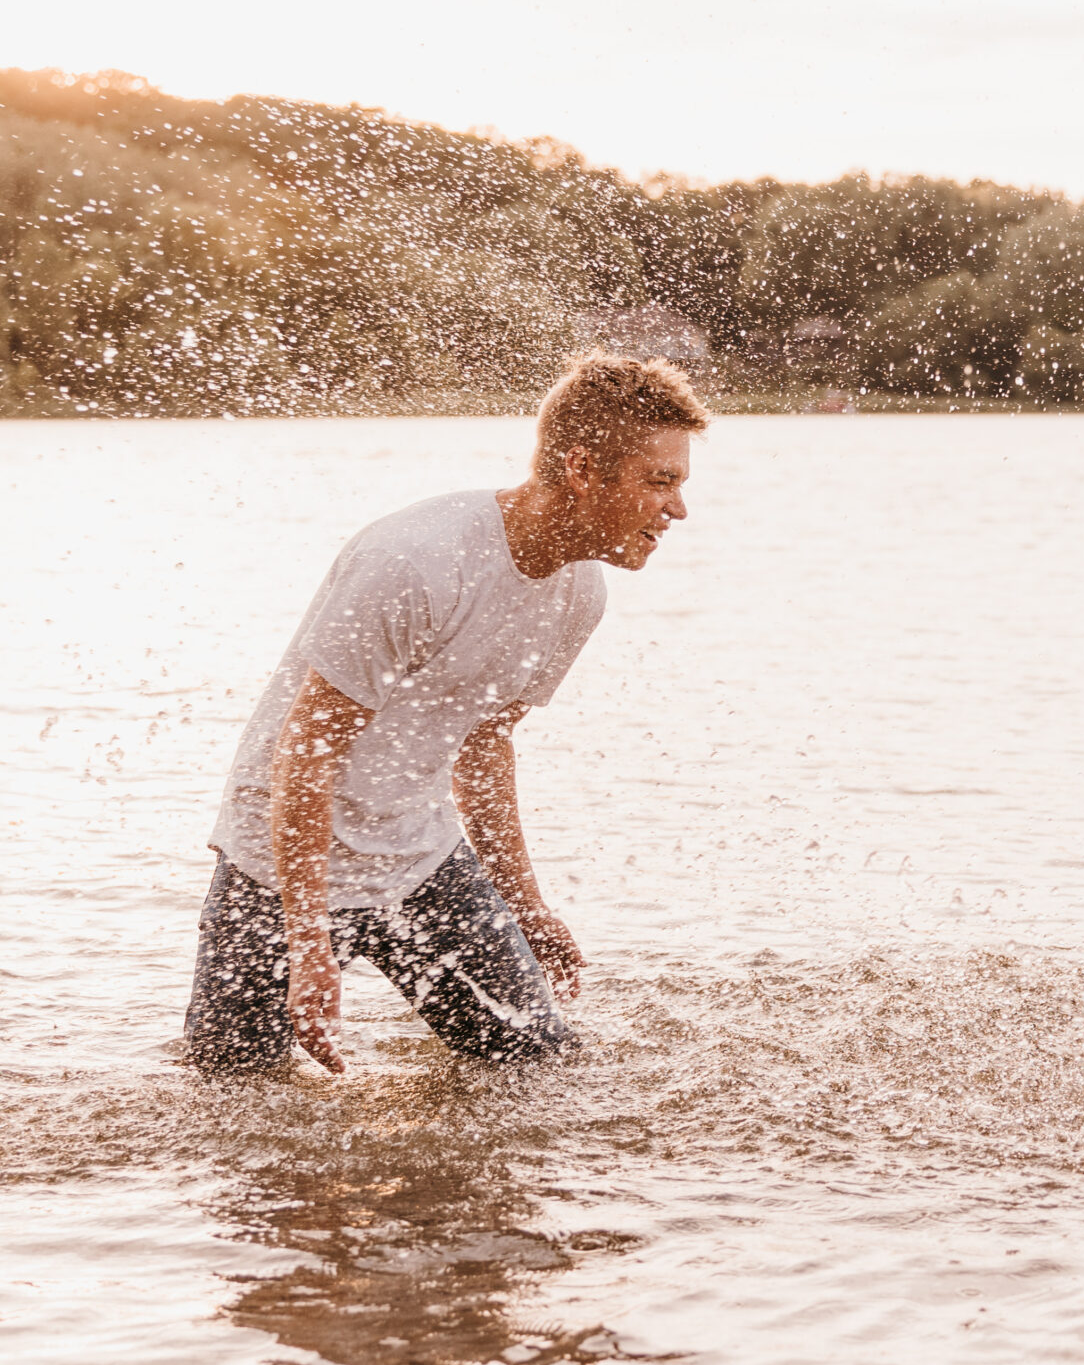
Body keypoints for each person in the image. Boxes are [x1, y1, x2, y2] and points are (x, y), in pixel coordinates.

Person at [185, 353, 708, 1075]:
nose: (677, 508)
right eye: (661, 481)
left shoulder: (580, 593)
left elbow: (486, 745)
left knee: (539, 1068)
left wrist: (527, 906)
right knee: (233, 1098)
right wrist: (308, 941)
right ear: (584, 468)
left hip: (418, 858)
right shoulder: (420, 561)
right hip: (275, 867)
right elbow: (305, 752)